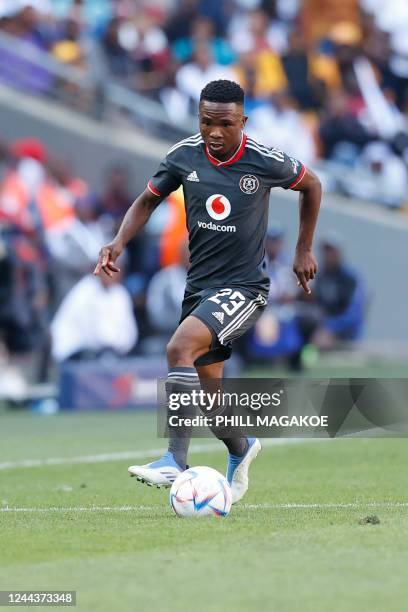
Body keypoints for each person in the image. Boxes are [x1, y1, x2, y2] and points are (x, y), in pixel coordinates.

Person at [94, 79, 321, 504]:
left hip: (245, 288)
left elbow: (313, 186)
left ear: (243, 121)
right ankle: (242, 446)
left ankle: (173, 461)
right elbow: (147, 200)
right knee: (213, 404)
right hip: (199, 288)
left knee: (178, 348)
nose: (214, 132)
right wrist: (118, 241)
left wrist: (303, 248)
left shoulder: (263, 160)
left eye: (224, 124)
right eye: (205, 122)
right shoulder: (183, 155)